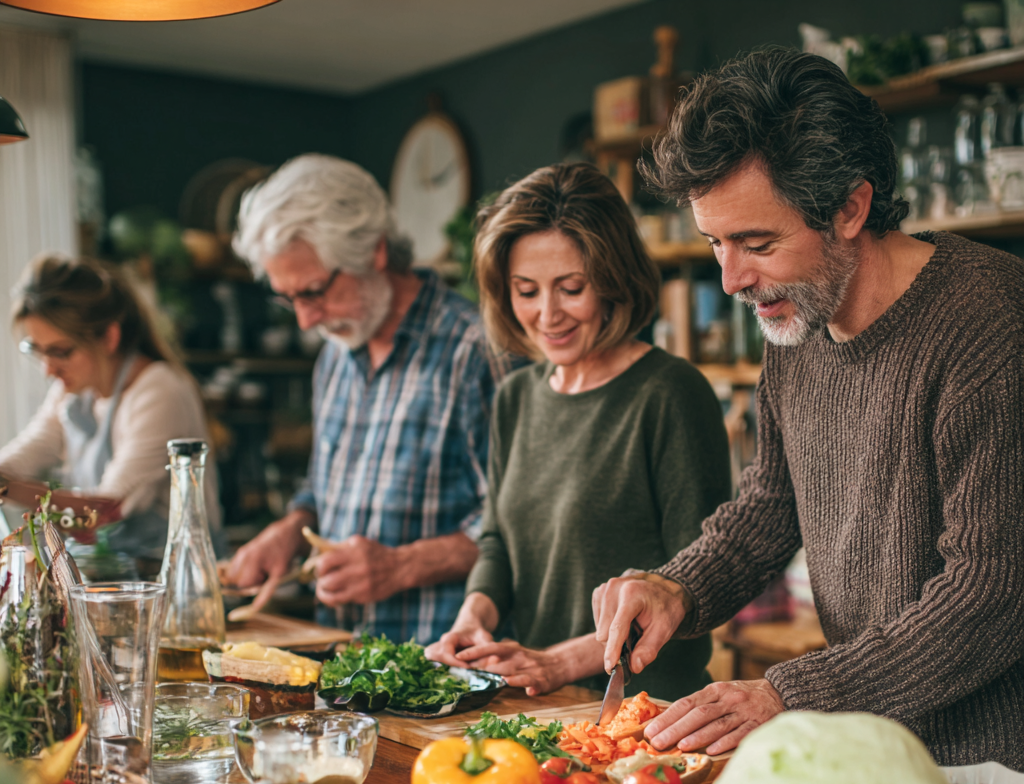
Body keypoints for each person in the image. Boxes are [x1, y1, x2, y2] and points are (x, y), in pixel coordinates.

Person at [593, 48, 1024, 769]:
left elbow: (991, 596)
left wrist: (788, 694)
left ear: (851, 207)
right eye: (714, 243)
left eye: (756, 243)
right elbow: (770, 507)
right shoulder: (796, 322)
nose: (730, 279)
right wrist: (677, 587)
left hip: (994, 769)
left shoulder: (987, 323)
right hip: (873, 750)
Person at [426, 163, 731, 699]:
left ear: (614, 279)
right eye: (525, 291)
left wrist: (559, 662)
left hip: (647, 713)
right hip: (542, 704)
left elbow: (697, 585)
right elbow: (497, 540)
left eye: (570, 288)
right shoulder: (516, 398)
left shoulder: (670, 393)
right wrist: (474, 614)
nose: (547, 315)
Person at [225, 154, 516, 641]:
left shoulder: (478, 349)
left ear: (375, 251)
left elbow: (516, 527)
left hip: (445, 669)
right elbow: (322, 488)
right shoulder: (335, 356)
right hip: (345, 660)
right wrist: (292, 530)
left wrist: (401, 566)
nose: (305, 320)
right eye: (288, 297)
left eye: (314, 291)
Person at [0, 254, 219, 560]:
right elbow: (26, 453)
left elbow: (102, 512)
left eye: (60, 351)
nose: (48, 369)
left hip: (172, 576)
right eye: (37, 350)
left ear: (109, 337)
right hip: (110, 573)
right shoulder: (73, 390)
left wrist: (5, 489)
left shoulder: (159, 391)